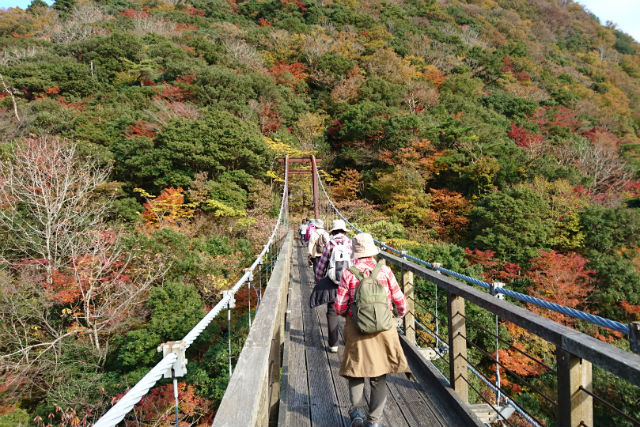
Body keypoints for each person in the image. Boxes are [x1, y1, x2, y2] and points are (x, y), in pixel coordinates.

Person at [334, 233, 410, 427]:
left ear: (355, 252)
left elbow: (339, 307)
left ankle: (357, 413)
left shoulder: (349, 273)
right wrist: (398, 315)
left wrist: (351, 316)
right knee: (379, 374)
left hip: (357, 329)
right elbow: (401, 302)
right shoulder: (385, 271)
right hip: (383, 329)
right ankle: (374, 420)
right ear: (372, 251)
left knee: (356, 371)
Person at [313, 219, 352, 353]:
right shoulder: (350, 243)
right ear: (344, 231)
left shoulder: (330, 244)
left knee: (332, 311)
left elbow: (322, 265)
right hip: (349, 281)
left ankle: (333, 344)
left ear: (333, 231)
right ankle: (349, 340)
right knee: (350, 310)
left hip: (333, 280)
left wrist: (319, 280)